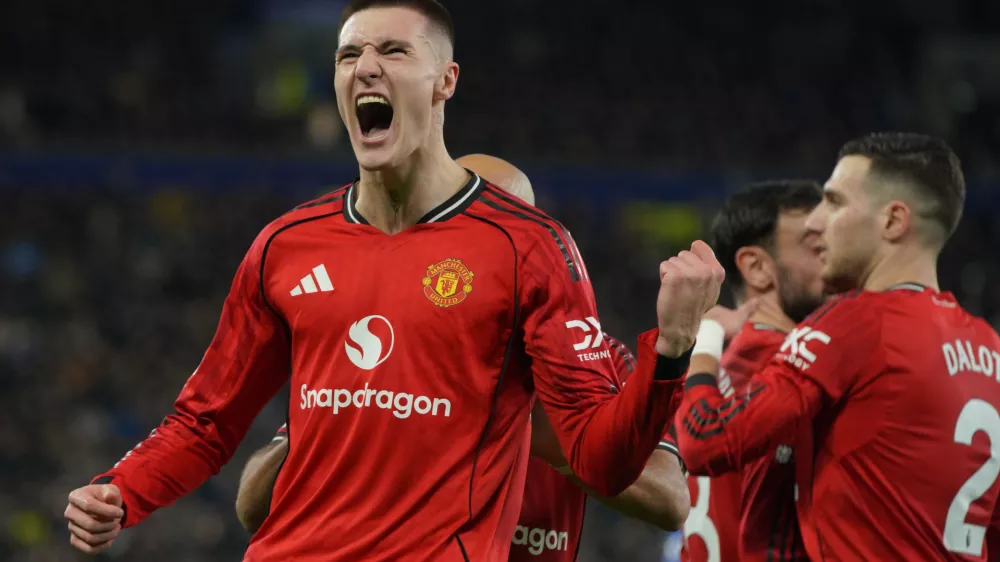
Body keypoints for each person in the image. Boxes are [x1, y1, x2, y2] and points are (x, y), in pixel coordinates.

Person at [63, 2, 725, 560]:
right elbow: (205, 422)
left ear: (446, 80)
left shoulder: (532, 248)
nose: (366, 67)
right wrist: (124, 490)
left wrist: (670, 349)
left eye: (392, 51)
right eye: (349, 56)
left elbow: (613, 468)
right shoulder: (285, 245)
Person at [233, 154, 691, 562]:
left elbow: (671, 499)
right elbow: (252, 507)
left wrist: (548, 437)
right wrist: (328, 424)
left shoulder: (598, 356)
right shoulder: (392, 352)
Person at [674, 132, 1000, 560]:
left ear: (892, 221)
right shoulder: (988, 346)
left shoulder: (857, 321)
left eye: (836, 202)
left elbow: (706, 438)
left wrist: (705, 342)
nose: (816, 221)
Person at [680, 180, 824, 562]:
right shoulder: (794, 371)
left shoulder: (704, 373)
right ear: (757, 267)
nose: (833, 258)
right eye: (815, 246)